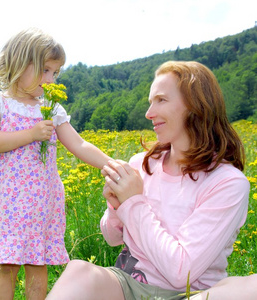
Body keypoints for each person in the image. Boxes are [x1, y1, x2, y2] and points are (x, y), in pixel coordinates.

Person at [46, 61, 257, 299]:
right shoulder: (141, 163)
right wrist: (117, 206)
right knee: (80, 271)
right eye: (150, 103)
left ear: (195, 105)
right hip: (128, 285)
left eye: (161, 100)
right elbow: (112, 237)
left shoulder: (227, 183)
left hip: (191, 294)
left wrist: (133, 202)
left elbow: (181, 274)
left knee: (251, 287)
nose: (149, 113)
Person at [0, 27, 112, 300]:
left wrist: (111, 164)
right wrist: (31, 134)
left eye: (56, 73)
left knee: (39, 265)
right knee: (7, 265)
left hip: (43, 203)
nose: (50, 80)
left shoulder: (52, 109)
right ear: (20, 64)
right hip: (11, 203)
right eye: (45, 70)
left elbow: (79, 144)